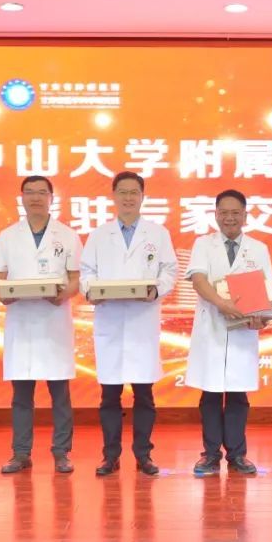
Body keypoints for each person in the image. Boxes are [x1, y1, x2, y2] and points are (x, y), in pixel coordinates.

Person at [80, 171, 178, 476]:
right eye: (122, 192)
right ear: (113, 196)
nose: (128, 198)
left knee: (144, 395)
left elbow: (169, 271)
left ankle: (143, 455)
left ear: (142, 196)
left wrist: (156, 290)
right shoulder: (99, 235)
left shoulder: (157, 234)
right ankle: (110, 456)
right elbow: (86, 272)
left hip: (141, 322)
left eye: (134, 192)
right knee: (109, 396)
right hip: (110, 320)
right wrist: (91, 291)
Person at [0, 175, 83, 475]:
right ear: (22, 198)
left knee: (60, 394)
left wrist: (63, 294)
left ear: (51, 198)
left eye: (42, 193)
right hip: (22, 322)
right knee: (21, 395)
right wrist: (3, 293)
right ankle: (21, 453)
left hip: (54, 321)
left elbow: (76, 279)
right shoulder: (7, 236)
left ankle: (62, 452)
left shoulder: (67, 235)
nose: (36, 198)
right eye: (30, 192)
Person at [185, 189, 272, 476]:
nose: (229, 218)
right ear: (216, 215)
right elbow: (199, 281)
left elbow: (268, 291)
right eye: (224, 212)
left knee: (237, 394)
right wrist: (221, 303)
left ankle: (237, 455)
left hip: (243, 331)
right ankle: (210, 455)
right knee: (210, 394)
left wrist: (263, 320)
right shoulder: (203, 244)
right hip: (211, 327)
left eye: (235, 213)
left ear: (245, 216)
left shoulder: (258, 248)